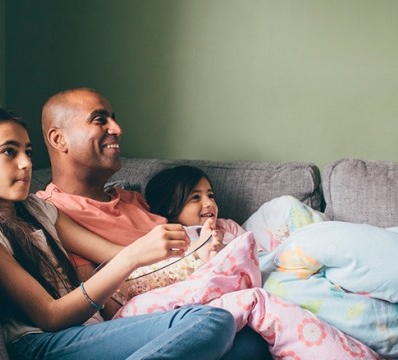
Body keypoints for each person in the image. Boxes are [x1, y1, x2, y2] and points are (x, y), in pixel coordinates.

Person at [0, 105, 237, 360]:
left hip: (83, 331)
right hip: (39, 343)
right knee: (212, 322)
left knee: (242, 338)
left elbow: (112, 254)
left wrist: (200, 253)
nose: (26, 163)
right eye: (9, 152)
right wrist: (132, 256)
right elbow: (50, 316)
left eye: (27, 151)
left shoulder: (38, 209)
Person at [38, 87, 272, 360]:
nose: (117, 128)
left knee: (253, 344)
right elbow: (96, 299)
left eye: (113, 118)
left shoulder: (134, 199)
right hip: (151, 319)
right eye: (100, 120)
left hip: (202, 299)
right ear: (59, 138)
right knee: (227, 331)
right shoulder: (51, 212)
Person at [145, 165, 246, 249]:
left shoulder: (228, 227)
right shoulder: (169, 238)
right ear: (169, 207)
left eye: (210, 195)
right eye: (196, 197)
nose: (209, 203)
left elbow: (257, 254)